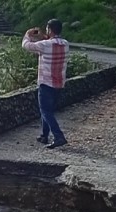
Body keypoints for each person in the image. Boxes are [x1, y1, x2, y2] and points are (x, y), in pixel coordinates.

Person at [22, 18, 70, 149]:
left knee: (45, 111)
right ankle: (44, 135)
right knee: (48, 110)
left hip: (46, 82)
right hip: (59, 83)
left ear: (50, 30)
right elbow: (51, 43)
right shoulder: (65, 44)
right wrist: (44, 36)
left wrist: (28, 34)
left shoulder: (45, 45)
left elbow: (26, 45)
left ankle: (58, 136)